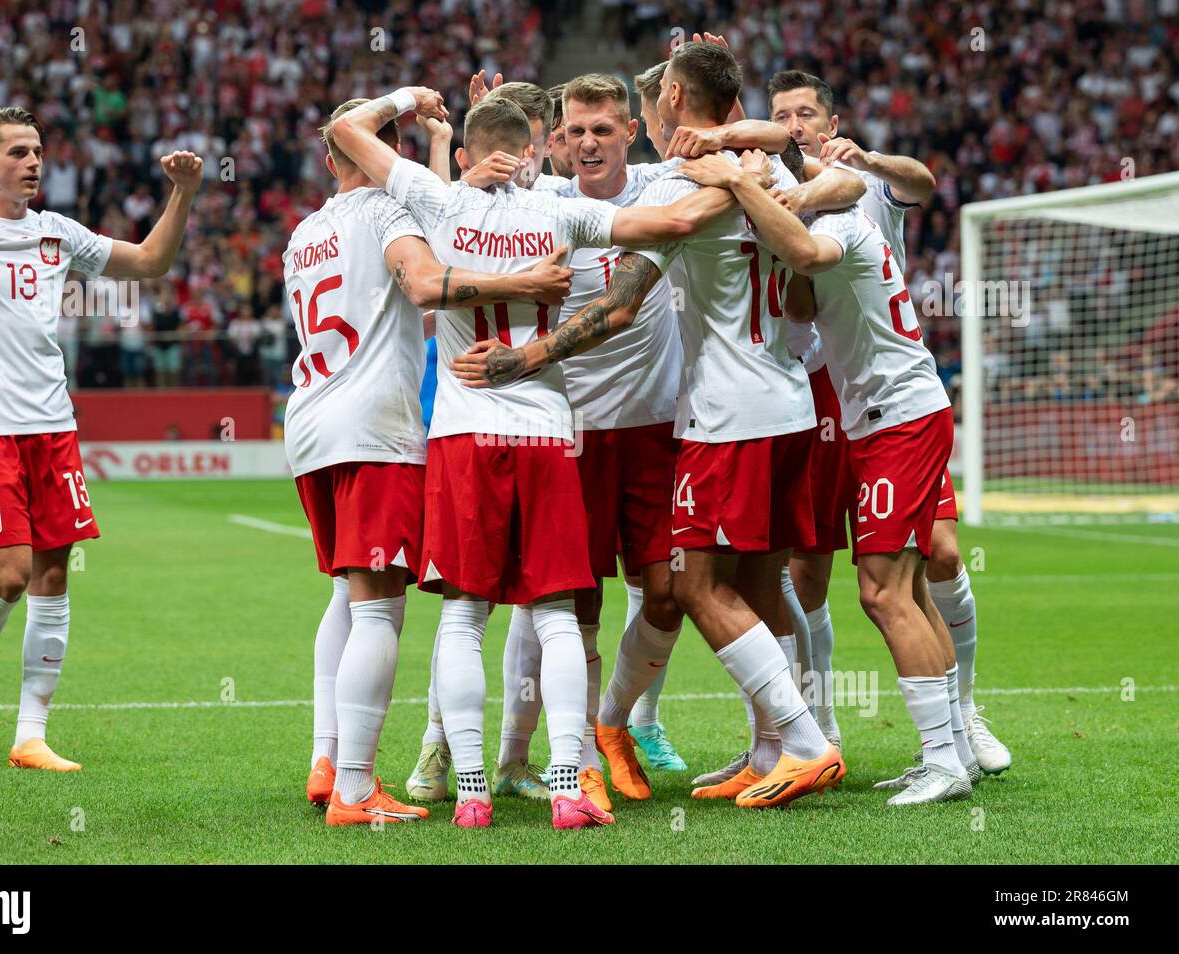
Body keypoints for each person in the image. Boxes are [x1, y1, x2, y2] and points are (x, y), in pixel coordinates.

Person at [453, 43, 855, 811]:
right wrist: (479, 144)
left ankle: (698, 734)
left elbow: (624, 301)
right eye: (573, 132)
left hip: (675, 422)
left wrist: (526, 354)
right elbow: (808, 220)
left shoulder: (663, 186)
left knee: (679, 590)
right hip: (576, 426)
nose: (589, 143)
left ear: (641, 122)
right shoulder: (547, 200)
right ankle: (519, 752)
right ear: (554, 141)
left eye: (604, 128)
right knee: (568, 602)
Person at [332, 84, 736, 828]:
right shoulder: (561, 209)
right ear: (531, 150)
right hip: (550, 429)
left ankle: (475, 793)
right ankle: (563, 787)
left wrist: (409, 99)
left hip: (463, 431)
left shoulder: (437, 201)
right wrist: (741, 176)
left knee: (462, 620)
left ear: (472, 152)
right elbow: (676, 219)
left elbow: (345, 130)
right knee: (556, 618)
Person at [0, 108, 203, 772]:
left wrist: (185, 193)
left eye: (39, 152)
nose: (34, 163)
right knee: (10, 575)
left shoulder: (56, 233)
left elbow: (148, 262)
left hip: (53, 428)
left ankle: (31, 735)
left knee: (55, 575)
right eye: (19, 152)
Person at [294, 98, 573, 826]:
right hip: (374, 429)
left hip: (309, 423)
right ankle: (356, 785)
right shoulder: (393, 215)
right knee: (382, 607)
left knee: (345, 594)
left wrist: (455, 159)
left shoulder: (305, 232)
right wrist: (525, 284)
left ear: (330, 160)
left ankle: (328, 756)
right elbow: (426, 286)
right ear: (392, 157)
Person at [680, 144, 978, 805]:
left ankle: (946, 762)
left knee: (882, 593)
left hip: (898, 416)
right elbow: (801, 305)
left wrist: (741, 182)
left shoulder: (839, 222)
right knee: (905, 587)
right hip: (883, 418)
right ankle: (954, 750)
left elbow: (812, 252)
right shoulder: (825, 220)